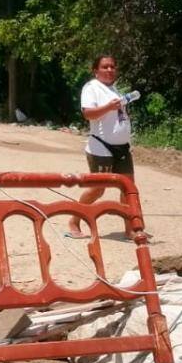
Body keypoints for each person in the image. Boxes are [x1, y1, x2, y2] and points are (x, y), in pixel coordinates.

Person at [68, 54, 134, 239]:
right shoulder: (91, 88)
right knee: (98, 189)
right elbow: (88, 114)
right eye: (105, 67)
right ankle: (74, 221)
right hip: (101, 147)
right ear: (95, 70)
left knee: (128, 188)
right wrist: (108, 108)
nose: (110, 70)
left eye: (112, 66)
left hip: (122, 148)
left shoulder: (115, 89)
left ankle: (130, 228)